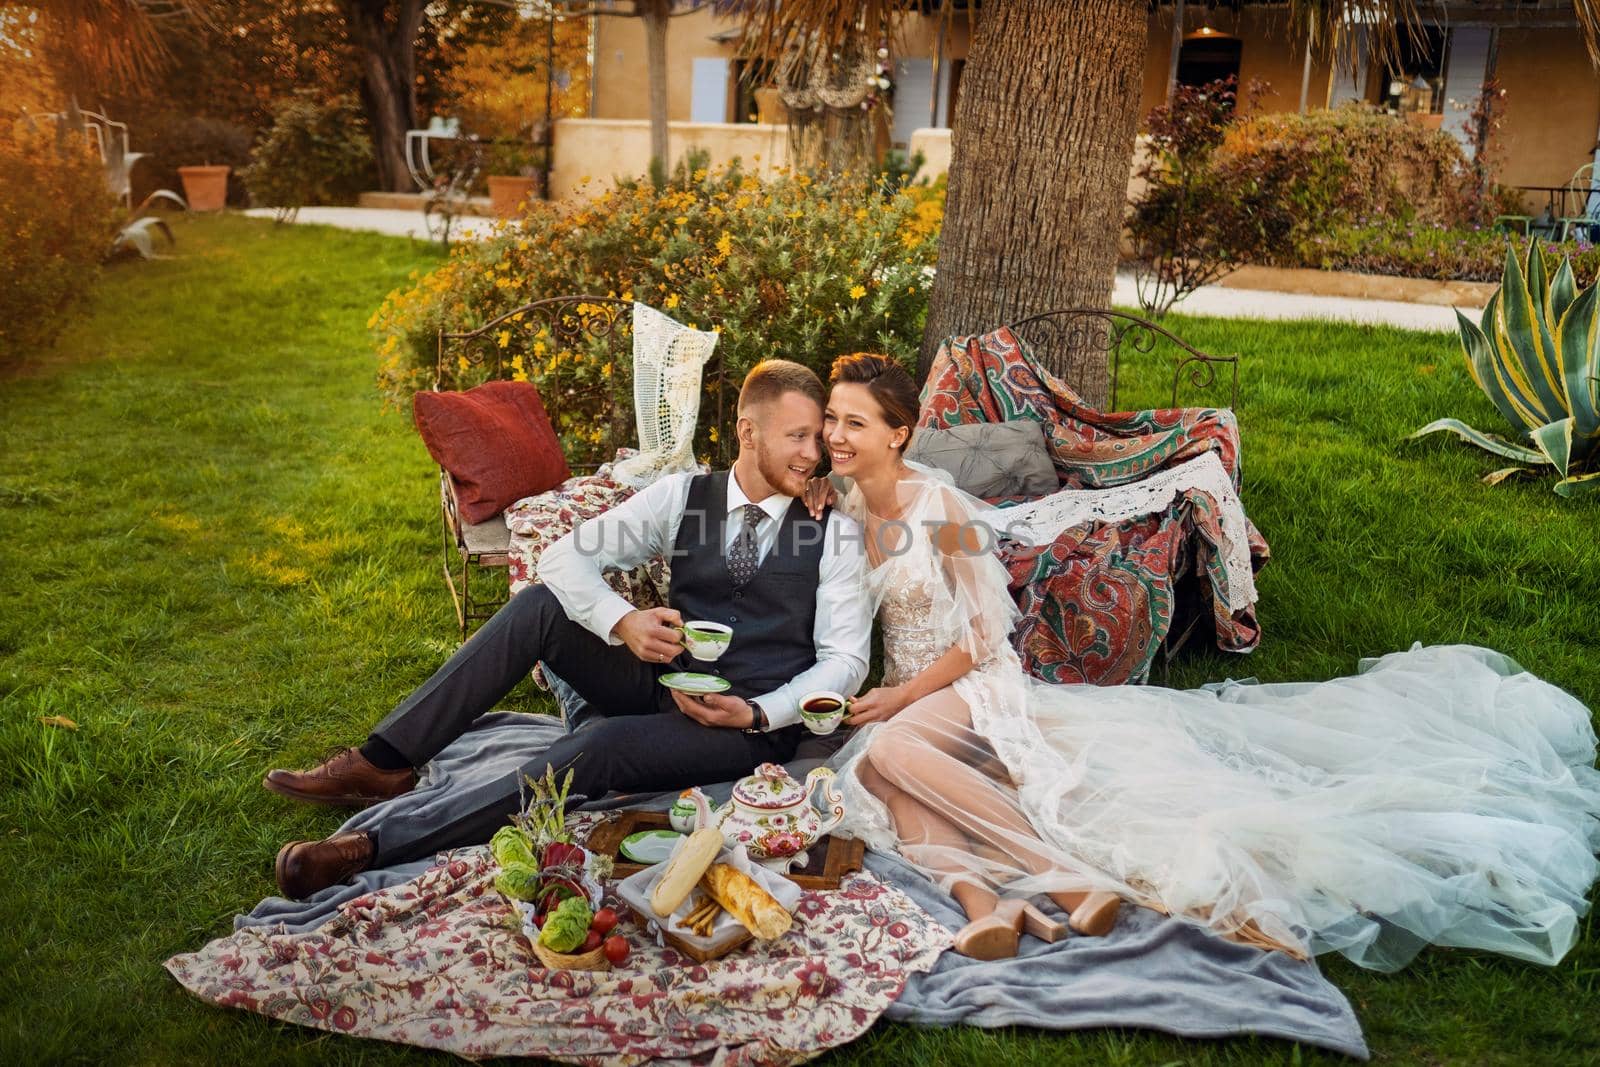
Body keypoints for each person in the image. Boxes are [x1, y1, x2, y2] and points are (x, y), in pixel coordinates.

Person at [806, 351, 1600, 969]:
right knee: (875, 769)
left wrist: (903, 693)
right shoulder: (843, 502)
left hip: (966, 679)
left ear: (898, 432)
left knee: (897, 746)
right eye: (832, 421)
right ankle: (988, 906)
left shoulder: (938, 507)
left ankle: (1074, 881)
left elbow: (984, 636)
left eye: (855, 423)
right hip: (910, 693)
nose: (837, 436)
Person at [264, 360, 870, 899]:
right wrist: (624, 622)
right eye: (798, 436)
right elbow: (562, 558)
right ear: (748, 432)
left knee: (598, 749)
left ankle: (377, 845)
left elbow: (846, 660)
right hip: (665, 682)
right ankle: (383, 761)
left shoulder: (831, 528)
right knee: (540, 607)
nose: (812, 454)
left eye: (817, 439)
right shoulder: (681, 497)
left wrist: (759, 713)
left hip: (747, 729)